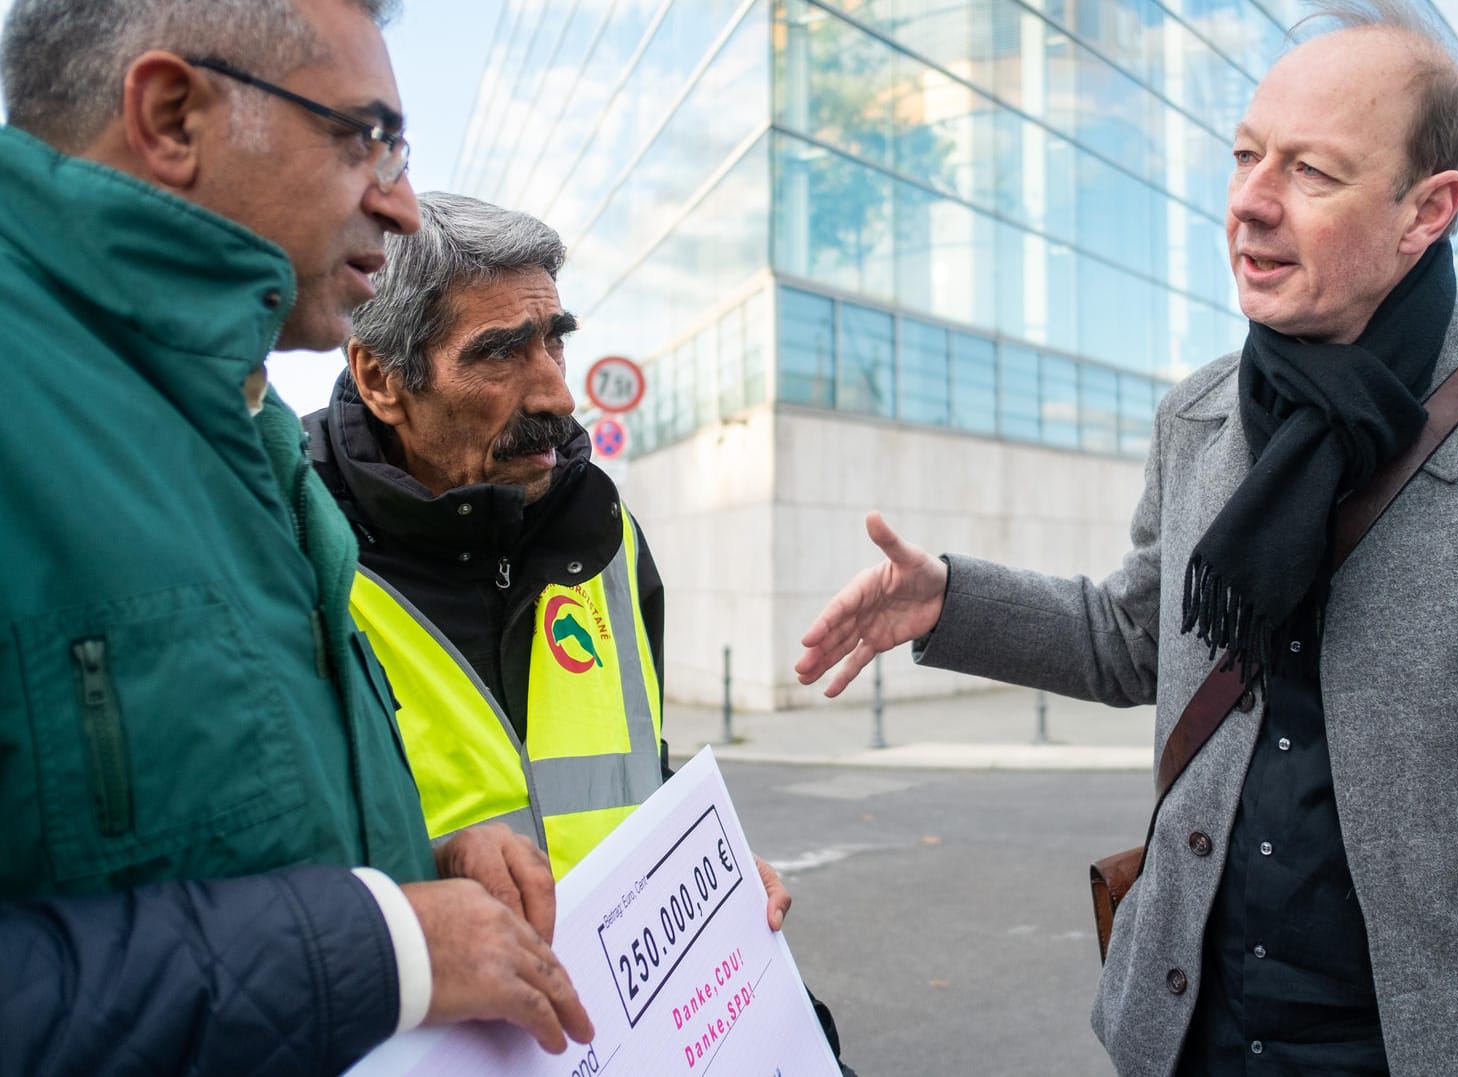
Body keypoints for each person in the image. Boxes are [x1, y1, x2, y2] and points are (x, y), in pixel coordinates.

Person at [793, 2, 1458, 1074]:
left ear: (1428, 211)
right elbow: (1140, 635)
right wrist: (952, 599)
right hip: (1195, 1038)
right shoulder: (1200, 418)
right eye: (1245, 156)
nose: (1249, 204)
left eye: (1311, 173)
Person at [0, 2, 593, 1073]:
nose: (405, 205)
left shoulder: (246, 427)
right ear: (171, 115)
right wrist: (382, 942)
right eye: (365, 137)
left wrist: (423, 867)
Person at [306, 191, 850, 1068]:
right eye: (499, 353)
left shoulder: (606, 535)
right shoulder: (291, 554)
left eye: (555, 336)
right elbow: (237, 878)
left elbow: (641, 774)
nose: (557, 389)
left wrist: (707, 880)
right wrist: (424, 871)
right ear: (380, 379)